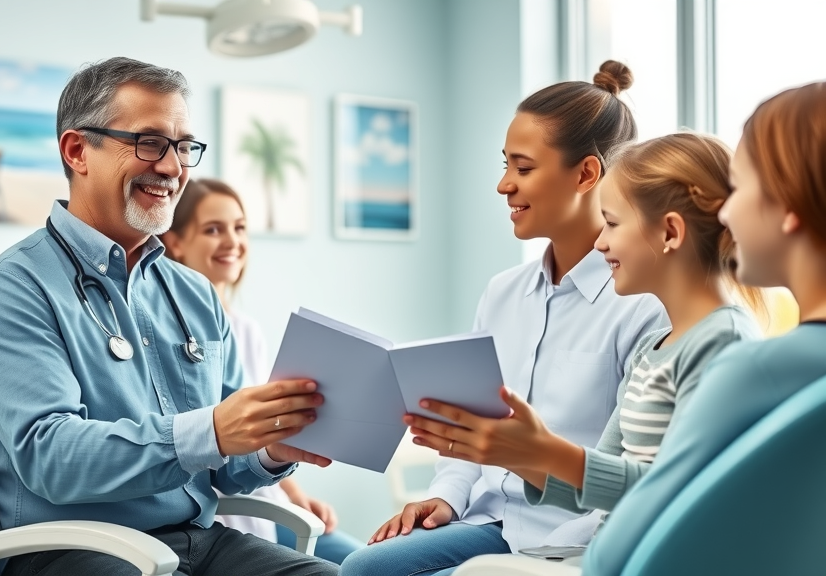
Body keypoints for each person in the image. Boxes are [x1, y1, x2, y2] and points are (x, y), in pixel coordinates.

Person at [0, 57, 339, 576]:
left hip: (200, 544)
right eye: (150, 143)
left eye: (183, 147)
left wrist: (270, 445)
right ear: (77, 151)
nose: (173, 167)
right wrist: (213, 432)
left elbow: (225, 464)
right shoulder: (12, 291)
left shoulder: (194, 293)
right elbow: (52, 459)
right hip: (71, 552)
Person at [339, 61, 669, 576]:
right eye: (505, 165)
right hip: (489, 522)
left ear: (586, 174)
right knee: (363, 568)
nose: (503, 185)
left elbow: (629, 473)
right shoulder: (503, 293)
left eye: (523, 167)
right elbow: (473, 430)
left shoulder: (643, 304)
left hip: (571, 541)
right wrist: (446, 499)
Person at [404, 132, 764, 533]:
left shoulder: (722, 343)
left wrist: (547, 451)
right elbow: (596, 484)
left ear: (670, 234)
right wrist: (518, 451)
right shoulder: (653, 347)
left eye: (611, 223)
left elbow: (683, 494)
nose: (600, 241)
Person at [580, 80, 826, 576]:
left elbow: (613, 558)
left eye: (740, 187)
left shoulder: (754, 368)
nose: (727, 211)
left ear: (789, 204)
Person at [159, 177, 364, 564]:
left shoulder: (247, 330)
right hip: (226, 510)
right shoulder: (167, 335)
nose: (232, 241)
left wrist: (296, 495)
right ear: (176, 242)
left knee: (365, 560)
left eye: (239, 228)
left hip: (267, 494)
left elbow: (261, 434)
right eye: (213, 229)